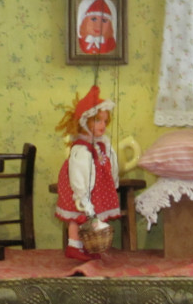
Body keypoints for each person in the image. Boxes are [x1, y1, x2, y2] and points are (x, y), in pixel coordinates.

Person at [54, 85, 120, 261]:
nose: (103, 125)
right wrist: (81, 194)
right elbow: (78, 173)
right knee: (78, 216)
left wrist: (113, 180)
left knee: (91, 217)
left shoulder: (100, 143)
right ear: (85, 122)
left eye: (104, 121)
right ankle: (74, 245)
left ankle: (88, 246)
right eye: (97, 121)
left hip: (95, 187)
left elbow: (110, 162)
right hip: (80, 187)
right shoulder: (82, 149)